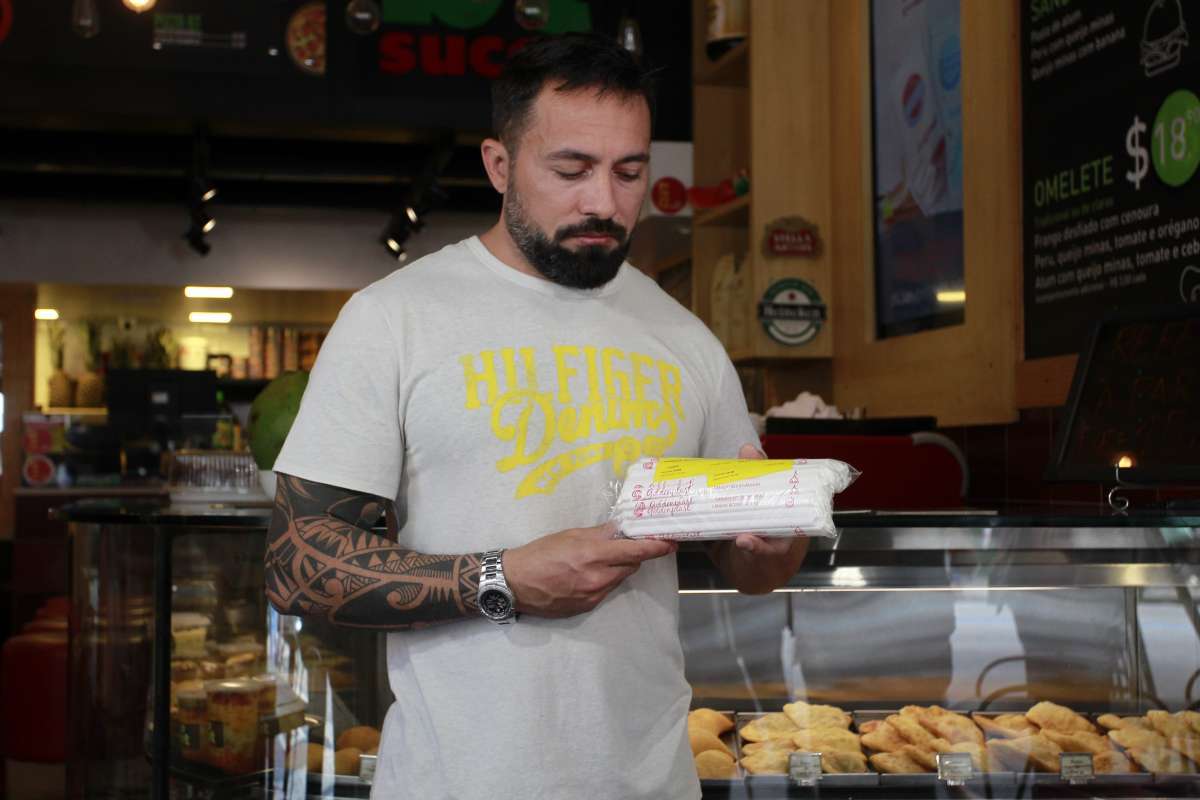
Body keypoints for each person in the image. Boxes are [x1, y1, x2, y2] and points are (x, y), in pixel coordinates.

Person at [265, 32, 808, 800]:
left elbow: (749, 567)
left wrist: (774, 541)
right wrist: (503, 578)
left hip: (653, 782)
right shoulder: (394, 318)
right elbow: (297, 564)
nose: (605, 203)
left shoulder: (684, 336)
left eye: (630, 172)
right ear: (498, 164)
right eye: (572, 169)